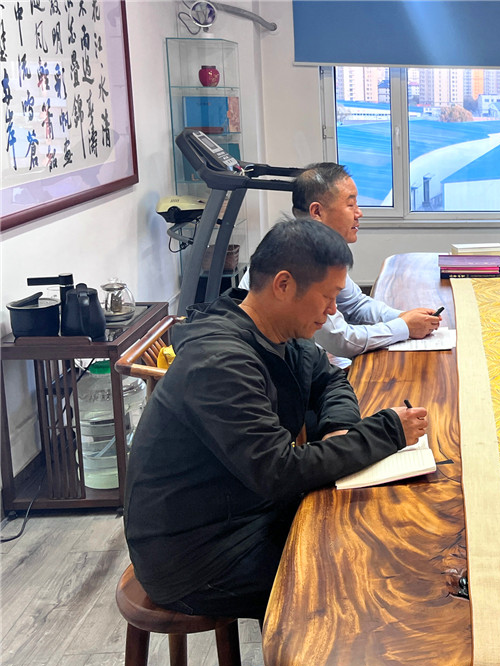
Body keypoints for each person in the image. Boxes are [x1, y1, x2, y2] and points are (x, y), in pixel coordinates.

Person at [125, 218, 428, 620]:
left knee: (377, 533)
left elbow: (330, 379)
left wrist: (337, 429)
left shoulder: (279, 333)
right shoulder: (220, 362)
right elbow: (280, 471)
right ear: (283, 285)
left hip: (245, 512)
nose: (333, 311)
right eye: (327, 297)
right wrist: (388, 430)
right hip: (197, 556)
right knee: (361, 577)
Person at [241, 162, 441, 368]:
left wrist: (403, 317)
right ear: (317, 211)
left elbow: (356, 304)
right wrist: (404, 327)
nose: (359, 213)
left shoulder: (317, 247)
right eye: (350, 204)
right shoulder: (301, 256)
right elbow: (340, 340)